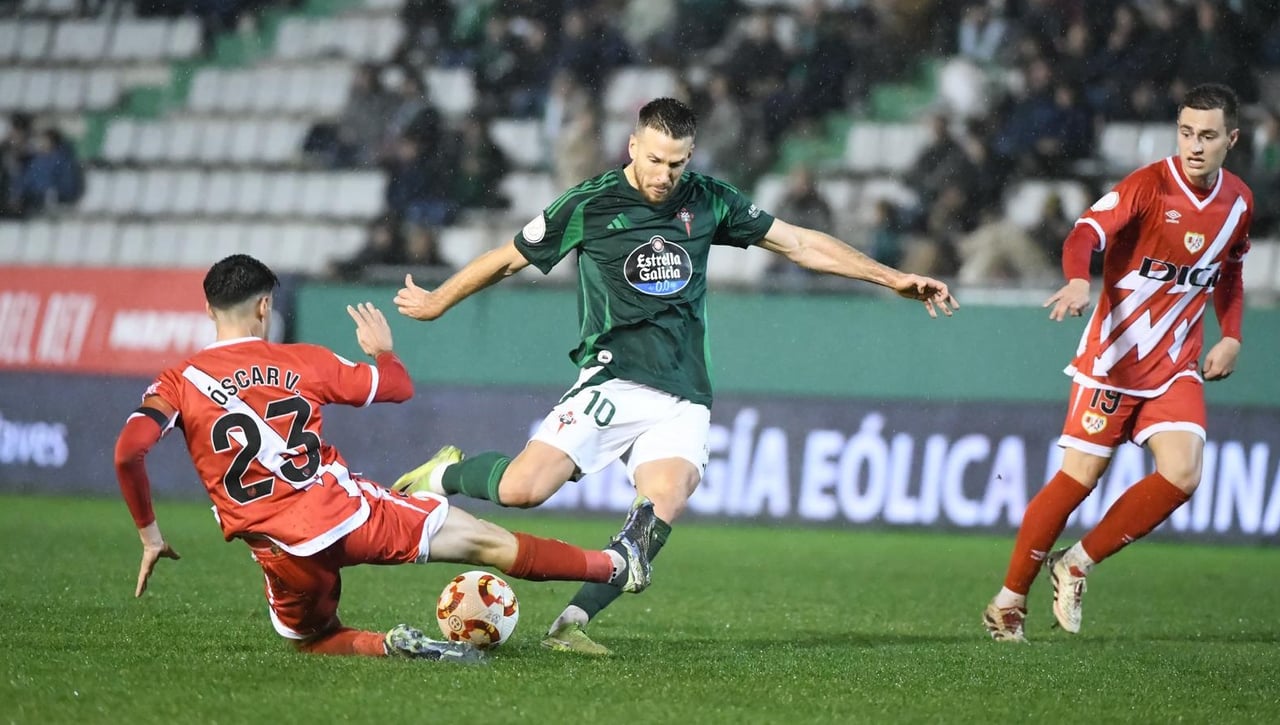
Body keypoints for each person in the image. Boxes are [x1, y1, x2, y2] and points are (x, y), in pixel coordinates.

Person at [391, 98, 958, 656]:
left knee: (667, 495)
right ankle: (448, 473)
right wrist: (439, 300)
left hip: (683, 391)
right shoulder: (590, 203)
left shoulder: (709, 200)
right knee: (522, 490)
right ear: (633, 146)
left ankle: (572, 620)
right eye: (656, 160)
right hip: (612, 380)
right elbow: (508, 257)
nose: (665, 175)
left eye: (677, 163)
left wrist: (893, 278)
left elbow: (800, 243)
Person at [113, 254, 656, 662]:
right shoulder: (304, 361)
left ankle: (389, 645)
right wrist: (383, 352)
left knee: (311, 639)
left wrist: (149, 535)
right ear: (264, 306)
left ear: (208, 309)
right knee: (486, 541)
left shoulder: (178, 382)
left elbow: (128, 452)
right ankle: (616, 563)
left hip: (277, 549)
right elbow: (397, 387)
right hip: (346, 516)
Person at [983, 83, 1251, 642]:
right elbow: (1085, 232)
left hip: (1177, 362)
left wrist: (1231, 336)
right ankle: (1008, 602)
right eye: (1185, 133)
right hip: (1114, 361)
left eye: (1207, 136)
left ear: (1232, 139)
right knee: (1079, 478)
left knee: (1183, 472)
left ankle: (1075, 562)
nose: (1194, 146)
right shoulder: (1148, 186)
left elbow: (1229, 272)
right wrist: (1080, 278)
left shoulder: (1240, 203)